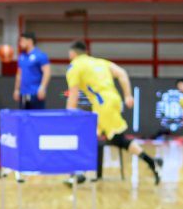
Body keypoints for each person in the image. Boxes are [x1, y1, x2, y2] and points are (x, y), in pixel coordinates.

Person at [65, 41, 162, 185]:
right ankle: (81, 172)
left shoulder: (74, 66)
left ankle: (152, 163)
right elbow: (122, 73)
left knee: (116, 139)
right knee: (93, 136)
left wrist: (68, 115)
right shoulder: (100, 62)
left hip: (103, 104)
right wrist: (128, 95)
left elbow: (73, 95)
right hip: (113, 100)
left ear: (72, 53)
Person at [13, 31, 50, 110]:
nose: (20, 43)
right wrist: (16, 89)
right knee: (23, 116)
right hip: (23, 93)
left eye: (22, 41)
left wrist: (42, 88)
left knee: (37, 116)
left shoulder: (40, 55)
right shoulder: (21, 56)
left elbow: (47, 72)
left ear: (30, 41)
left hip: (35, 93)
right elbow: (19, 74)